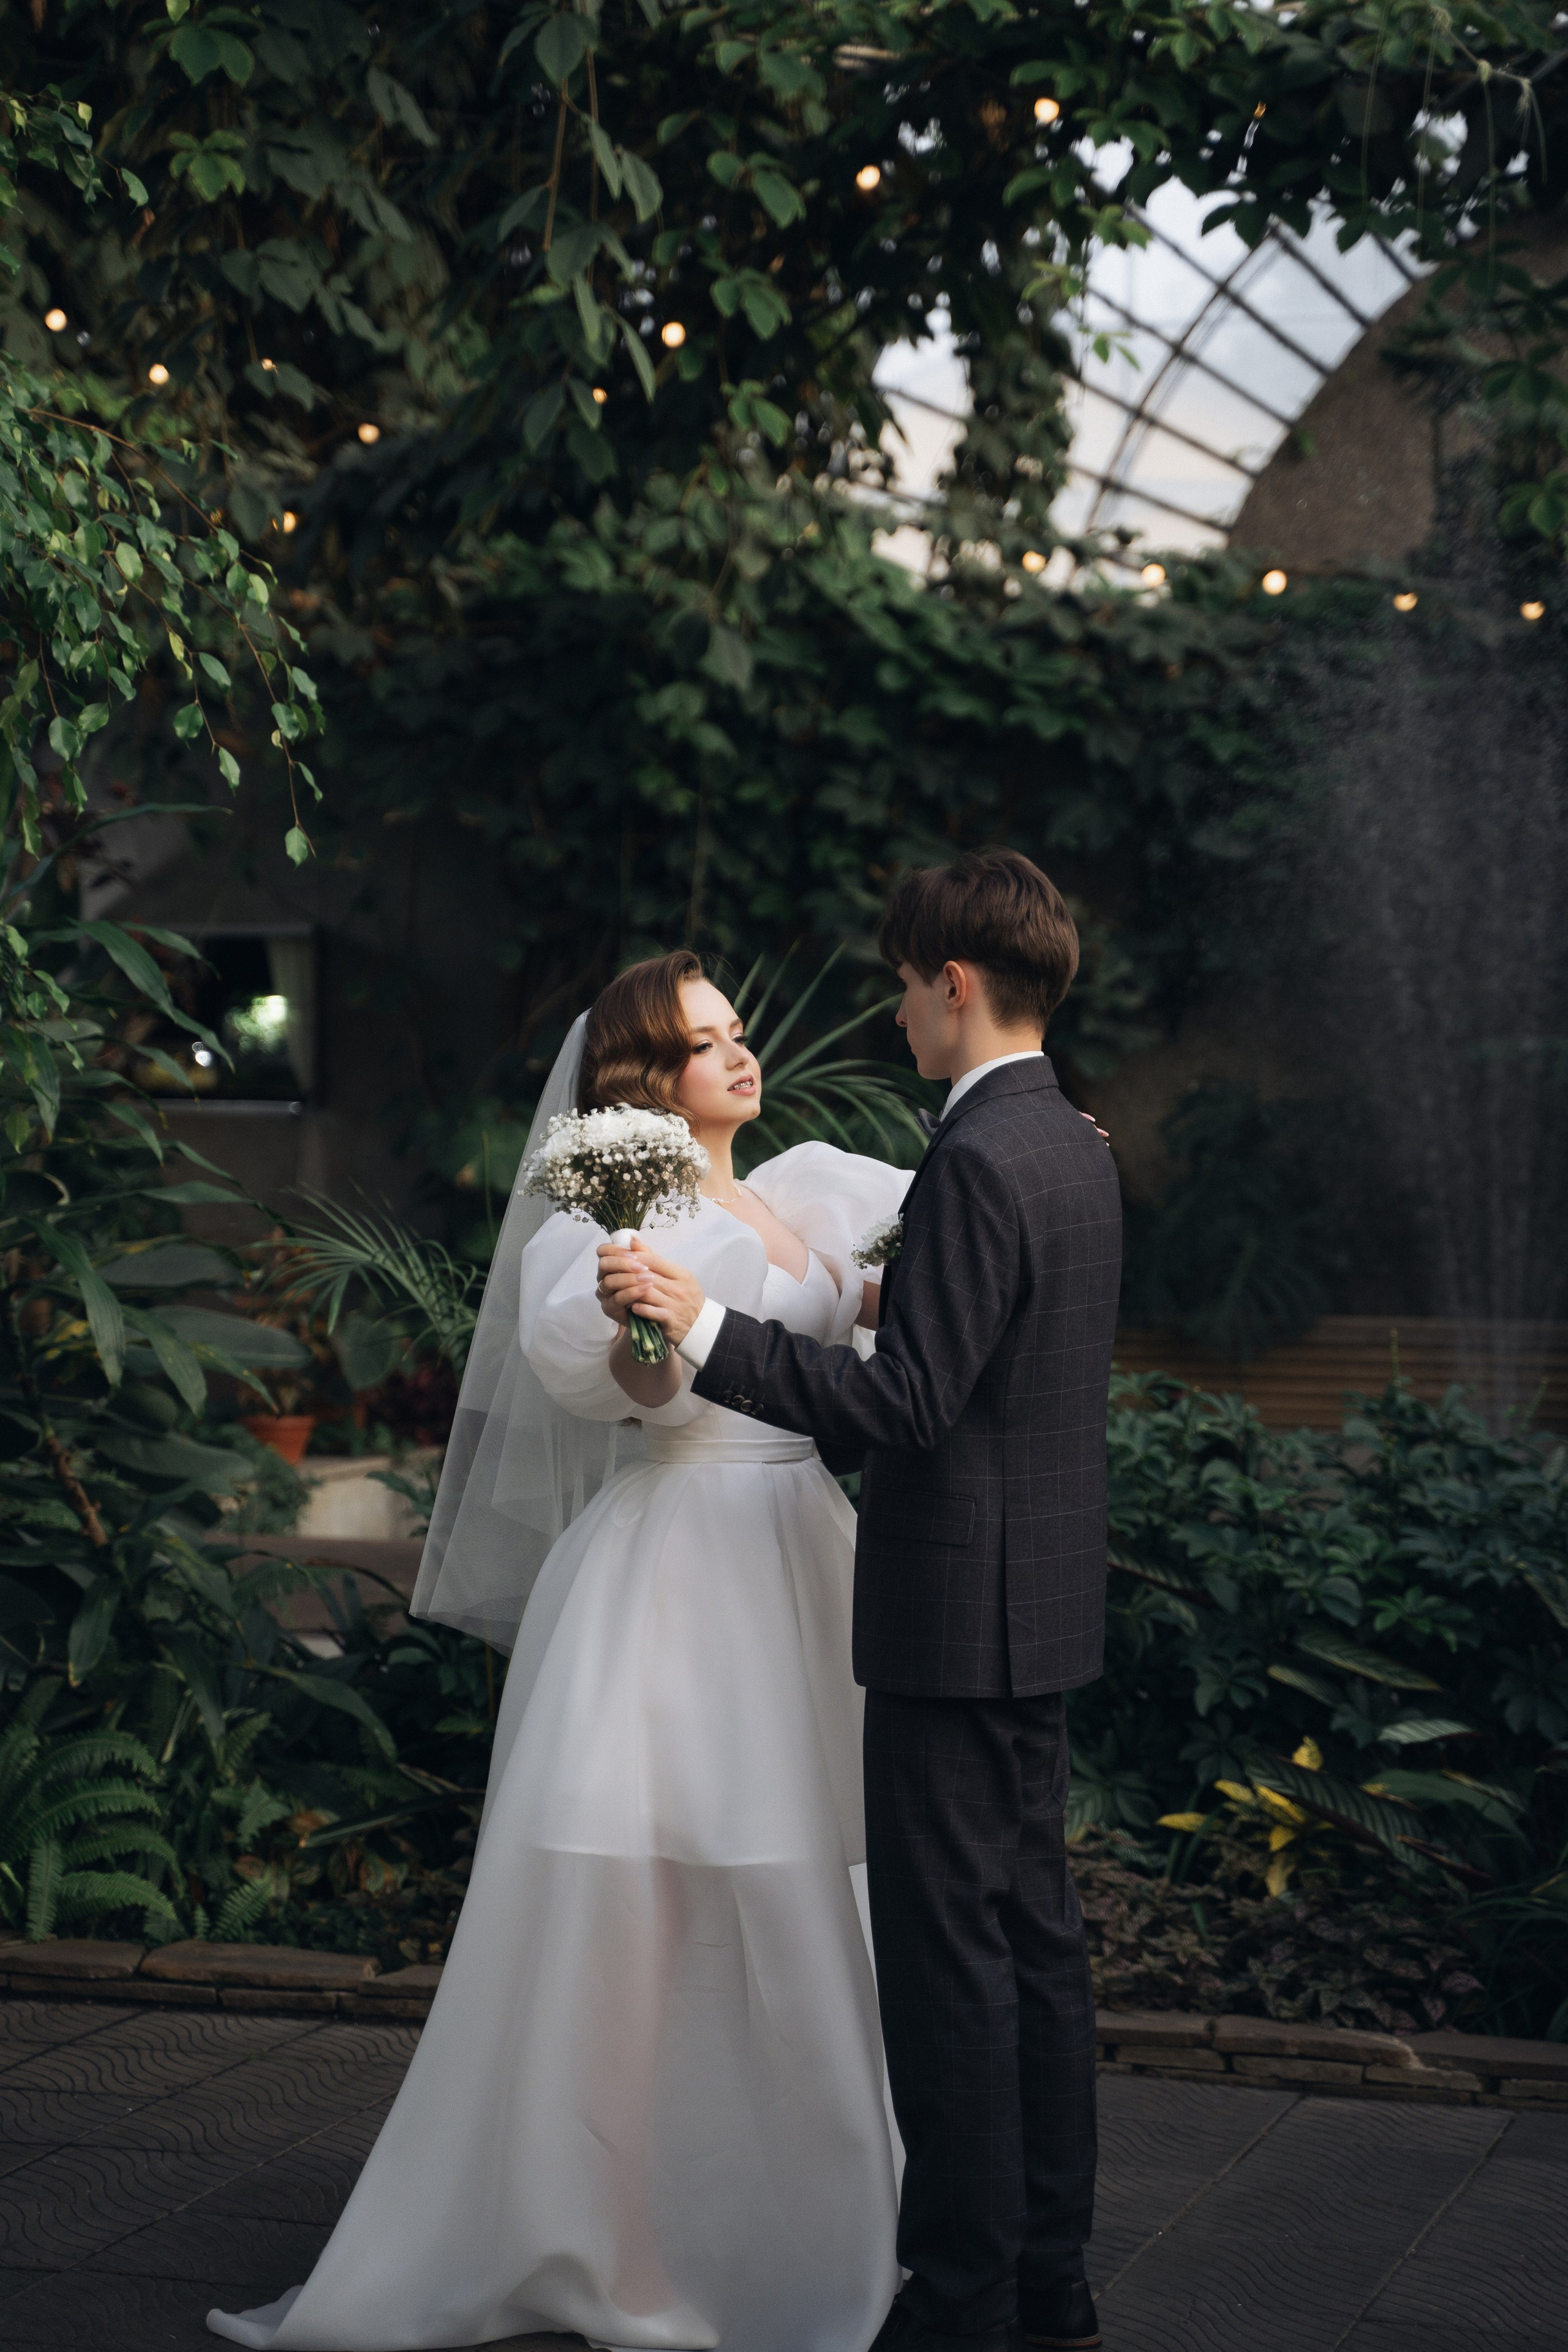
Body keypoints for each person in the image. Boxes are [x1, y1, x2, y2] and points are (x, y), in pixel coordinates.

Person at [207, 950, 910, 2352]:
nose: (737, 1055)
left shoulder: (807, 1192)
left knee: (805, 1888)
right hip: (682, 1570)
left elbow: (884, 1340)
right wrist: (646, 1319)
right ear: (647, 1078)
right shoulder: (619, 1222)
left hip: (802, 1554)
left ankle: (792, 2225)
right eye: (704, 1043)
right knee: (637, 1903)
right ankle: (604, 2233)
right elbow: (643, 1396)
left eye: (736, 1031)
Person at [599, 851, 1122, 2352]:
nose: (895, 1013)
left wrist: (703, 1324)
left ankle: (957, 2301)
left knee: (955, 1965)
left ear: (951, 983)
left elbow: (906, 1406)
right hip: (1039, 1612)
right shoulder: (1073, 1143)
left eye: (901, 985)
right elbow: (995, 1353)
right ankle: (1048, 2283)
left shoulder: (974, 1157)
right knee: (1035, 1947)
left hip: (952, 1618)